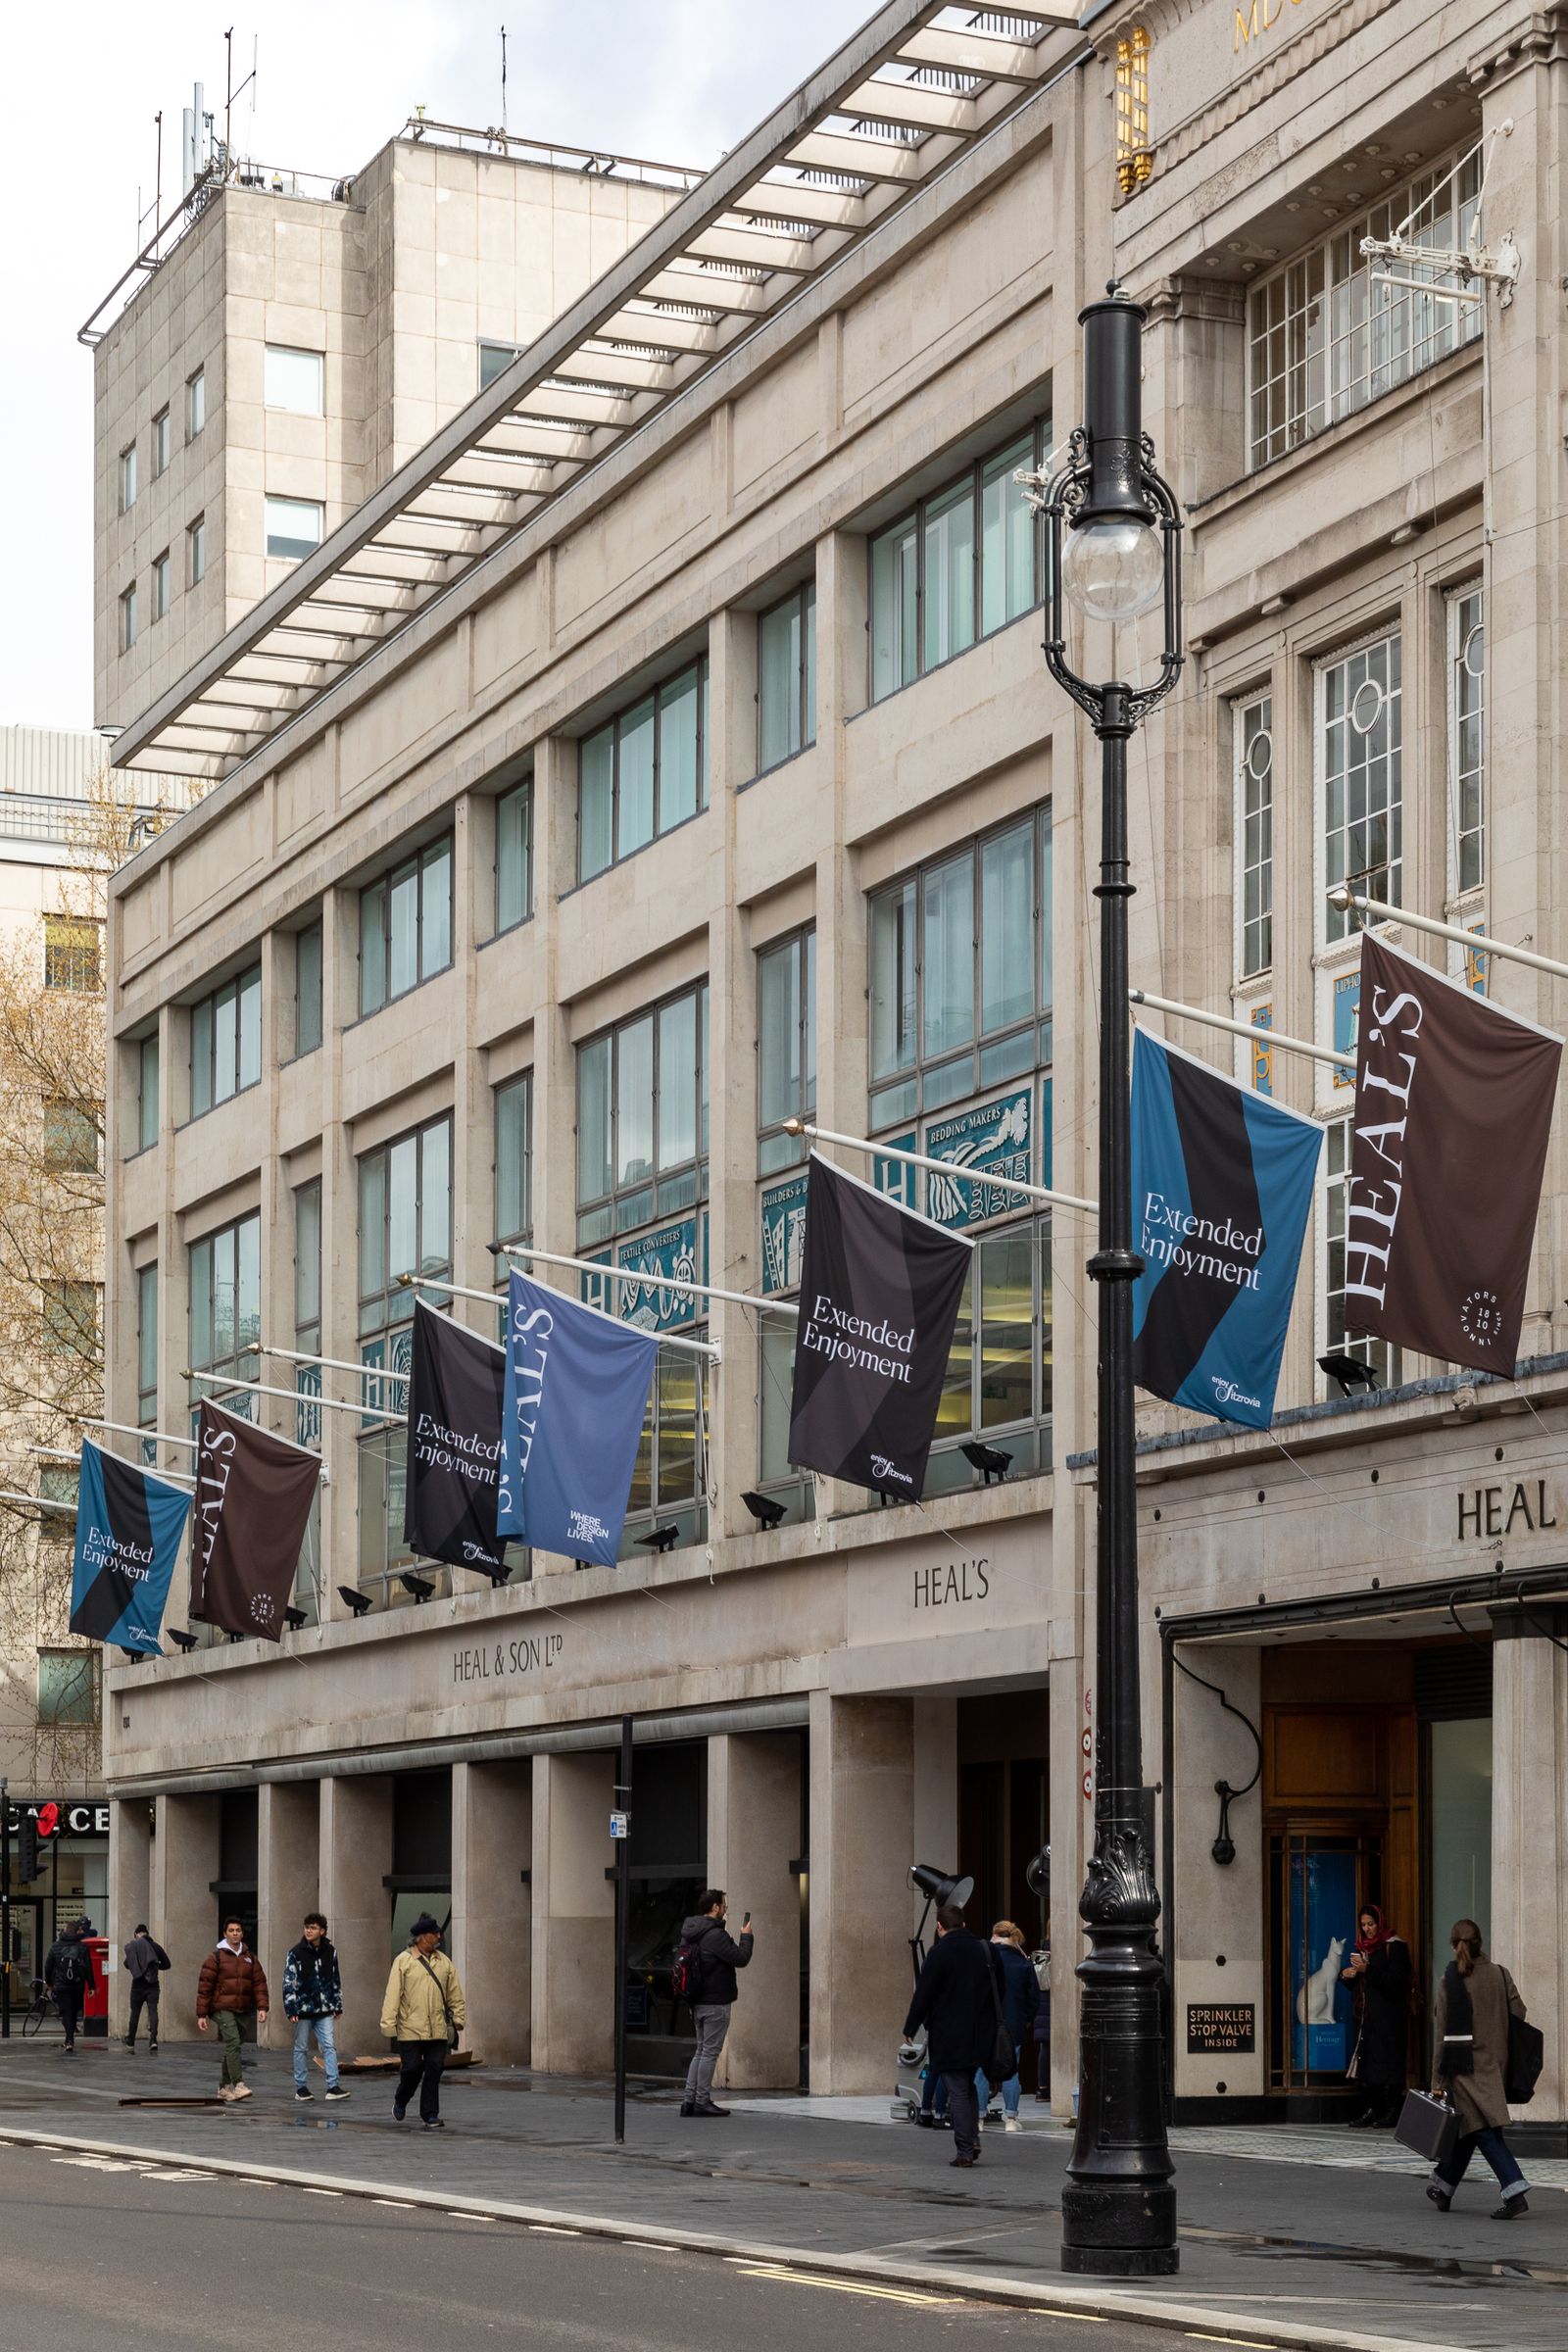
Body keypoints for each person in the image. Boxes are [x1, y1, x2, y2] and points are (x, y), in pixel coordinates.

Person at [1426, 1919, 1531, 2220]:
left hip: (1464, 2069)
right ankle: (1442, 2187)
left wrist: (1437, 2079)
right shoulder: (1499, 1973)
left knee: (1482, 2131)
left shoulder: (1450, 1979)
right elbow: (1519, 2012)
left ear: (1452, 1944)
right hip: (1495, 2064)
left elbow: (1442, 2035)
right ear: (1480, 1942)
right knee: (1468, 2128)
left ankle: (1514, 2188)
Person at [904, 1901, 1005, 2169]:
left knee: (957, 2090)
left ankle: (965, 2149)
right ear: (964, 1922)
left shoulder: (939, 1953)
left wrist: (911, 2027)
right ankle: (971, 2139)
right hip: (982, 2033)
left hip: (949, 2033)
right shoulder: (986, 1949)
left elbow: (923, 1994)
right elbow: (1001, 1989)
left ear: (939, 1926)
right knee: (968, 2085)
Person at [380, 1913, 466, 2130]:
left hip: (437, 2028)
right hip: (411, 2027)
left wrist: (458, 2016)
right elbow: (393, 1994)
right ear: (421, 1937)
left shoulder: (443, 1962)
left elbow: (454, 1992)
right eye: (434, 1933)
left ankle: (430, 2114)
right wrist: (388, 2023)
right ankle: (401, 2099)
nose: (438, 1936)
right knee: (412, 2069)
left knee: (435, 2068)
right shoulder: (403, 1961)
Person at [676, 1888, 755, 2120]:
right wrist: (746, 1935)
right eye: (724, 1906)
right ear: (715, 1908)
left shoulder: (690, 1932)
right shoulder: (715, 1935)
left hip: (696, 2000)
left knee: (701, 2050)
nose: (725, 1910)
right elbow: (741, 1958)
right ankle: (701, 2101)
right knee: (709, 2052)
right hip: (715, 2002)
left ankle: (689, 2100)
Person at [1341, 1902, 1412, 2127]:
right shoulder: (1363, 1949)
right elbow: (1361, 1986)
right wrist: (1347, 1975)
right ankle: (1373, 2109)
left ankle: (1391, 2111)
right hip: (1366, 2018)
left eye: (1370, 1924)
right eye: (1363, 1925)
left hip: (1389, 2018)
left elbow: (1398, 1981)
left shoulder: (1395, 1946)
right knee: (1367, 2065)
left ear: (1379, 1923)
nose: (1367, 1929)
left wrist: (1367, 1969)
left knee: (1388, 2064)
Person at [196, 1915, 270, 2104]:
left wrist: (262, 2007)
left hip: (243, 2008)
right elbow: (205, 1986)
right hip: (222, 2007)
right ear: (225, 1934)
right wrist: (202, 2014)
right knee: (234, 2042)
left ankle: (223, 2087)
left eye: (238, 1931)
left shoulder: (249, 1957)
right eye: (231, 1931)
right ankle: (238, 2084)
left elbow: (259, 1983)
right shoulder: (216, 1957)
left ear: (242, 1934)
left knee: (233, 2047)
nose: (235, 1934)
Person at [975, 1921, 1040, 2132]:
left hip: (985, 2023)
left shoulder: (983, 1961)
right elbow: (1034, 1999)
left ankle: (979, 2118)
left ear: (994, 1935)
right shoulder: (1023, 1963)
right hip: (1014, 2024)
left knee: (981, 2072)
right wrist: (1026, 2019)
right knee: (1011, 2071)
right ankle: (1011, 2119)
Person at [282, 1911, 350, 2103]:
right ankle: (301, 2087)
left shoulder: (331, 1951)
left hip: (325, 2008)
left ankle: (333, 2086)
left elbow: (335, 1979)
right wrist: (291, 2008)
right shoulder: (295, 1953)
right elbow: (289, 1982)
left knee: (329, 2046)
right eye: (306, 1927)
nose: (308, 1931)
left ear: (322, 1931)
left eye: (313, 1928)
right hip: (303, 2010)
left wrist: (337, 2004)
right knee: (301, 2048)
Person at [43, 1916, 96, 2055]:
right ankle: (69, 2038)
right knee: (73, 2011)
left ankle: (69, 2040)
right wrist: (91, 1986)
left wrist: (49, 1982)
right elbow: (89, 1968)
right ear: (77, 1932)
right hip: (77, 1985)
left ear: (65, 1931)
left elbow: (48, 1966)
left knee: (66, 2012)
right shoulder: (82, 1947)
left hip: (61, 1985)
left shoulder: (56, 1946)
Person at [122, 1922, 172, 2052]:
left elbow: (127, 1964)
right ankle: (153, 2040)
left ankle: (131, 2042)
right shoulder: (156, 1946)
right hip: (153, 1984)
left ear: (136, 1935)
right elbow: (167, 1964)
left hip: (137, 1985)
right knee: (153, 2011)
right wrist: (155, 1965)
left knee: (135, 2013)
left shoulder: (134, 1946)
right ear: (148, 1934)